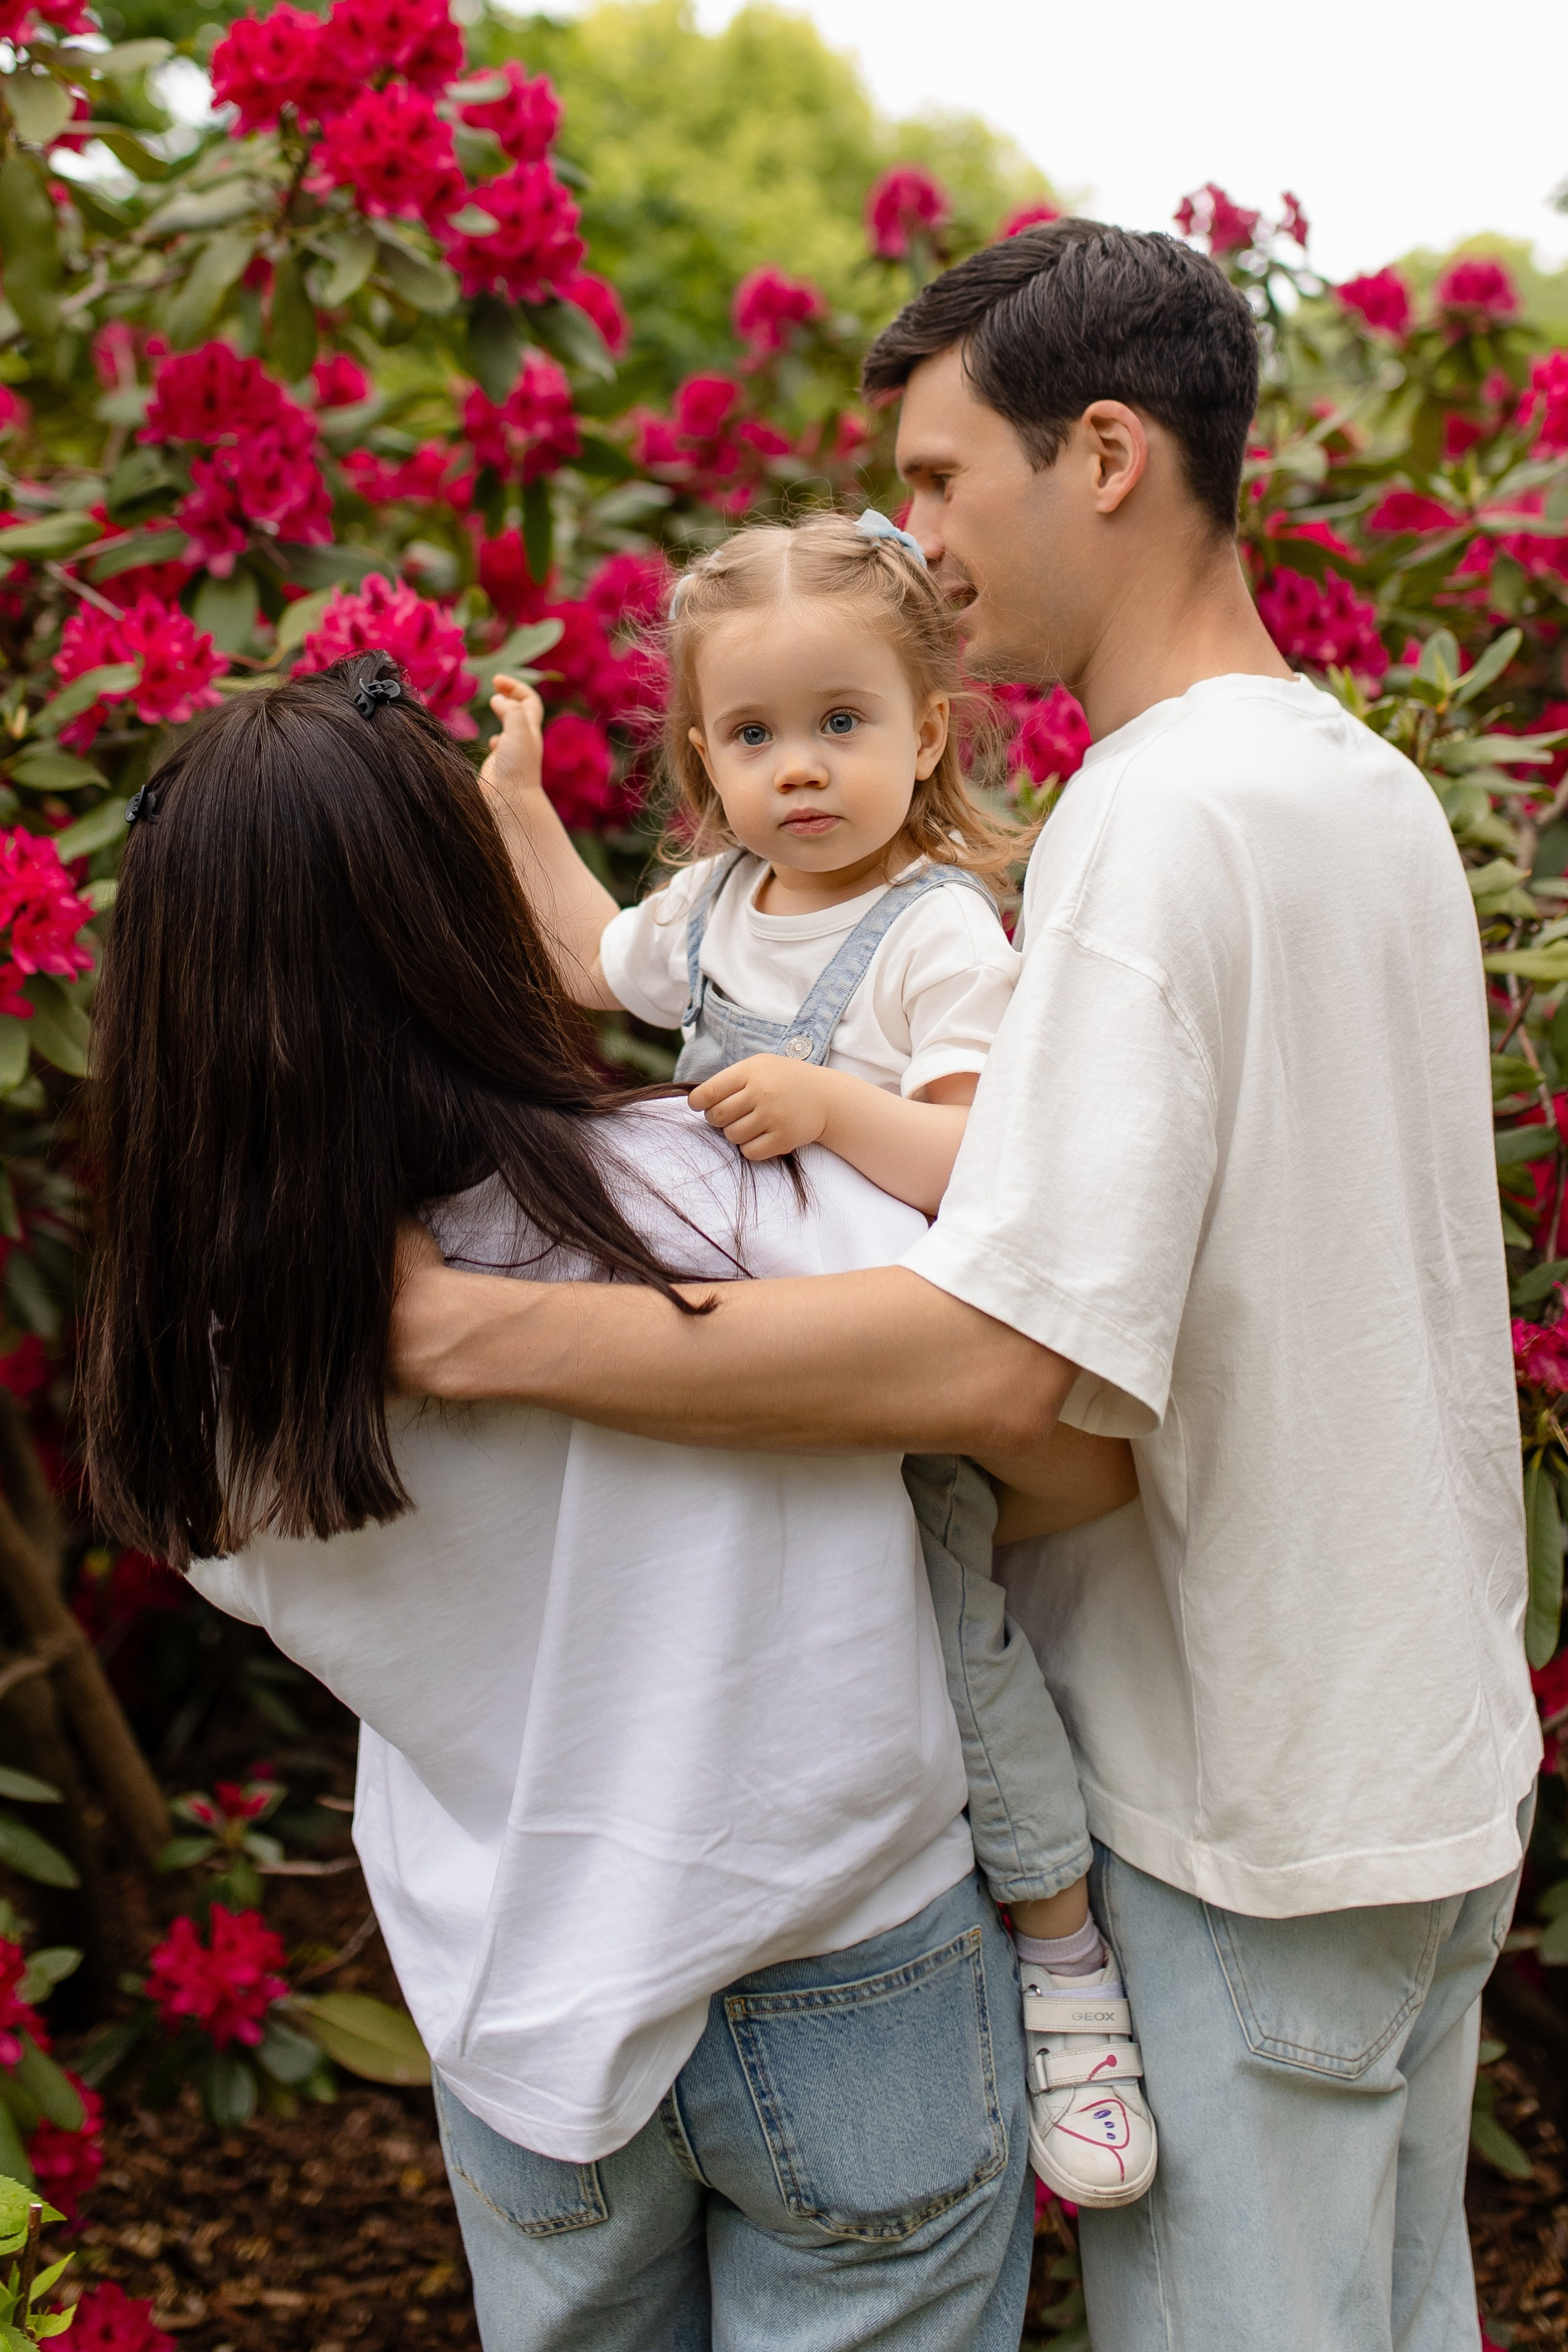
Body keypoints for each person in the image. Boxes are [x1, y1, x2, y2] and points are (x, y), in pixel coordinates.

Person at [388, 218, 1540, 2351]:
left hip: (1242, 1807)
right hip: (1424, 1775)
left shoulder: (1149, 823)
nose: (911, 540)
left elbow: (1004, 1359)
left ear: (1103, 454)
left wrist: (480, 1334)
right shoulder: (1354, 782)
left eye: (935, 480)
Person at [83, 652, 1134, 2352]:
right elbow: (1066, 1448)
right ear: (458, 919)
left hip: (523, 2007)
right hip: (847, 1956)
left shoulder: (215, 1366)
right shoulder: (718, 1185)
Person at [481, 503, 1153, 2206]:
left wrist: (832, 1103)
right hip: (747, 1390)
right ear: (702, 761)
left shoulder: (937, 932)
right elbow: (587, 953)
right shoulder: (713, 907)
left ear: (926, 731)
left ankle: (1066, 1970)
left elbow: (986, 1165)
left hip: (896, 1387)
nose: (802, 770)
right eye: (757, 735)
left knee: (960, 1653)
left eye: (842, 725)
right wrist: (517, 809)